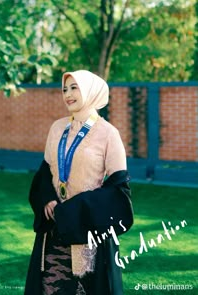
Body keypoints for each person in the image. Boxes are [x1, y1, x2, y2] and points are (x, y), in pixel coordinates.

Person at [24, 70, 133, 295]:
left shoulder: (108, 134)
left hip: (88, 230)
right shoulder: (56, 128)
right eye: (65, 89)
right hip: (53, 231)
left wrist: (75, 209)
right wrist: (48, 199)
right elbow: (45, 171)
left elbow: (118, 190)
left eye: (75, 88)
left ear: (91, 91)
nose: (68, 94)